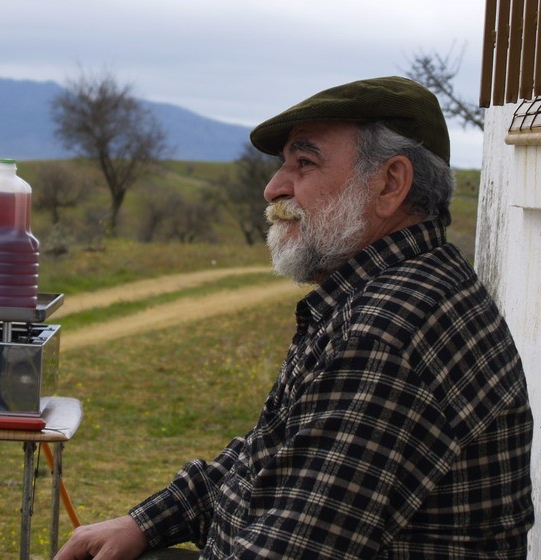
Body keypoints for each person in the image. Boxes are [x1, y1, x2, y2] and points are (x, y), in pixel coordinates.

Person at [54, 76, 534, 559]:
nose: (273, 188)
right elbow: (270, 458)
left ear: (390, 183)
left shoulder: (392, 328)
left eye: (304, 163)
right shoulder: (383, 291)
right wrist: (143, 523)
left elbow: (291, 548)